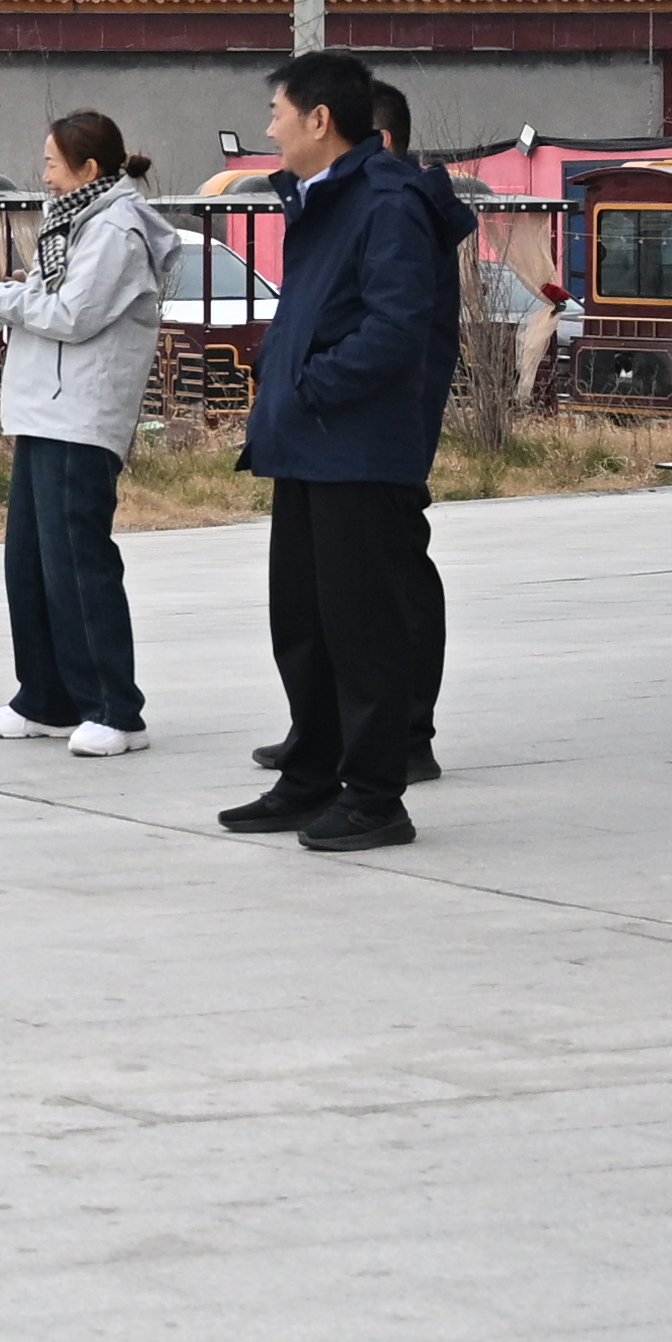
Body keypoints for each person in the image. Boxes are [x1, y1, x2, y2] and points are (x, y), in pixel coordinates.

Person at [225, 52, 457, 853]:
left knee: (363, 631)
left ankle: (376, 796)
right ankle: (311, 774)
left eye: (278, 113)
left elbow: (396, 330)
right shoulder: (325, 196)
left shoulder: (388, 202)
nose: (270, 130)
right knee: (306, 624)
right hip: (308, 446)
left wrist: (310, 386)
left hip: (358, 449)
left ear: (320, 119)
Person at [0, 110, 168, 758]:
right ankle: (47, 698)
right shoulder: (71, 221)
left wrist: (0, 300)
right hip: (43, 409)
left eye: (53, 164)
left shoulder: (116, 228)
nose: (46, 175)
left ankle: (115, 709)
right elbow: (48, 301)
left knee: (78, 564)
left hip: (81, 414)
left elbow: (74, 315)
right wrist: (4, 298)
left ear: (88, 169)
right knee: (30, 562)